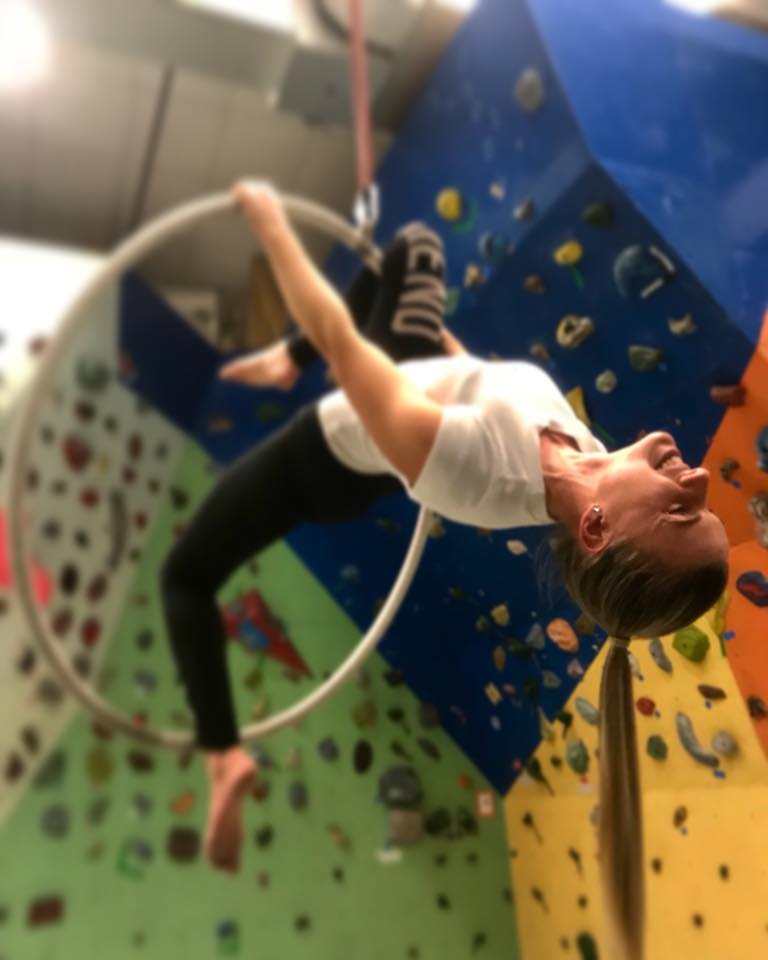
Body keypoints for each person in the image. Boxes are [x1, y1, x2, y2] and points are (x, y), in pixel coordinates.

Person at [161, 182, 728, 959]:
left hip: (321, 460)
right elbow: (490, 383)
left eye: (681, 512)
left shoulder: (474, 471)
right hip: (414, 377)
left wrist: (267, 220)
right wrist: (444, 351)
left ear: (597, 528)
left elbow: (340, 341)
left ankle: (224, 757)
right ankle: (287, 365)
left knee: (185, 576)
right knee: (415, 247)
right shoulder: (590, 456)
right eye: (706, 504)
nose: (699, 478)